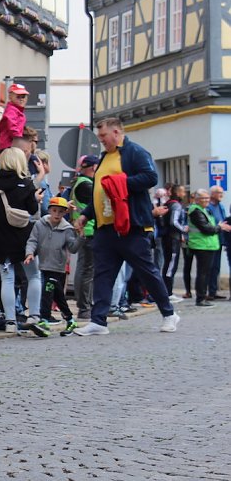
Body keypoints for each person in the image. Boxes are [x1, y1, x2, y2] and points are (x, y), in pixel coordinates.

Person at [73, 117, 180, 336]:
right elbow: (99, 192)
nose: (101, 140)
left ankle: (169, 314)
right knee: (103, 274)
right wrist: (85, 215)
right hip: (105, 226)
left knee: (146, 272)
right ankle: (98, 321)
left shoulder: (135, 152)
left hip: (131, 225)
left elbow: (151, 177)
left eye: (103, 136)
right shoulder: (104, 158)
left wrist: (120, 184)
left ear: (116, 132)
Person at [0, 147, 49, 336]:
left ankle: (10, 321)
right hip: (24, 237)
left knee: (7, 279)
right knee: (33, 275)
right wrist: (35, 198)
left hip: (0, 238)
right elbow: (31, 210)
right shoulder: (26, 183)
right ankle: (34, 315)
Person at [24, 196, 83, 335]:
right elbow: (32, 240)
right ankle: (70, 320)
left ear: (65, 213)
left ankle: (44, 320)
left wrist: (81, 237)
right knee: (58, 297)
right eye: (54, 210)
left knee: (47, 291)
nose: (57, 214)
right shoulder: (40, 224)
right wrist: (30, 253)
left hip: (58, 268)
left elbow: (73, 248)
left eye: (61, 212)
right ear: (49, 210)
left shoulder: (67, 229)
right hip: (44, 265)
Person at [187, 189, 231, 306]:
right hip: (201, 245)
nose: (206, 200)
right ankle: (200, 298)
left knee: (206, 272)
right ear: (197, 200)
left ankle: (204, 296)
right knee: (203, 273)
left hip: (208, 245)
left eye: (207, 198)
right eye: (203, 198)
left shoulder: (203, 210)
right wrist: (220, 227)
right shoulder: (196, 211)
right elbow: (207, 229)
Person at [71, 154, 99, 319]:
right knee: (86, 270)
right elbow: (96, 206)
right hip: (88, 231)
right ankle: (84, 308)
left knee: (86, 269)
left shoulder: (81, 183)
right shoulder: (86, 185)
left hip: (86, 231)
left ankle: (86, 306)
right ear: (94, 167)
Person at [161, 184, 187, 298]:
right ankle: (168, 292)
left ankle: (167, 291)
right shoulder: (176, 205)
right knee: (171, 265)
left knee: (168, 264)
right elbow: (174, 222)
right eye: (183, 192)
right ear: (178, 193)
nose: (184, 194)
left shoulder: (168, 204)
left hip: (167, 237)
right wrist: (183, 229)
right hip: (173, 239)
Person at [206, 185, 227, 300]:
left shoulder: (221, 207)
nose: (221, 195)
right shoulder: (208, 207)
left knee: (216, 267)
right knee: (210, 267)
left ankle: (213, 291)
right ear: (213, 194)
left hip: (219, 240)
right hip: (210, 241)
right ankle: (208, 292)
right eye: (219, 193)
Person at [0, 83, 29, 151]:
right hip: (9, 146)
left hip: (12, 145)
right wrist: (20, 141)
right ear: (10, 97)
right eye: (18, 96)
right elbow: (13, 129)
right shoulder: (12, 110)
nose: (21, 99)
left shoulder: (17, 110)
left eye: (23, 96)